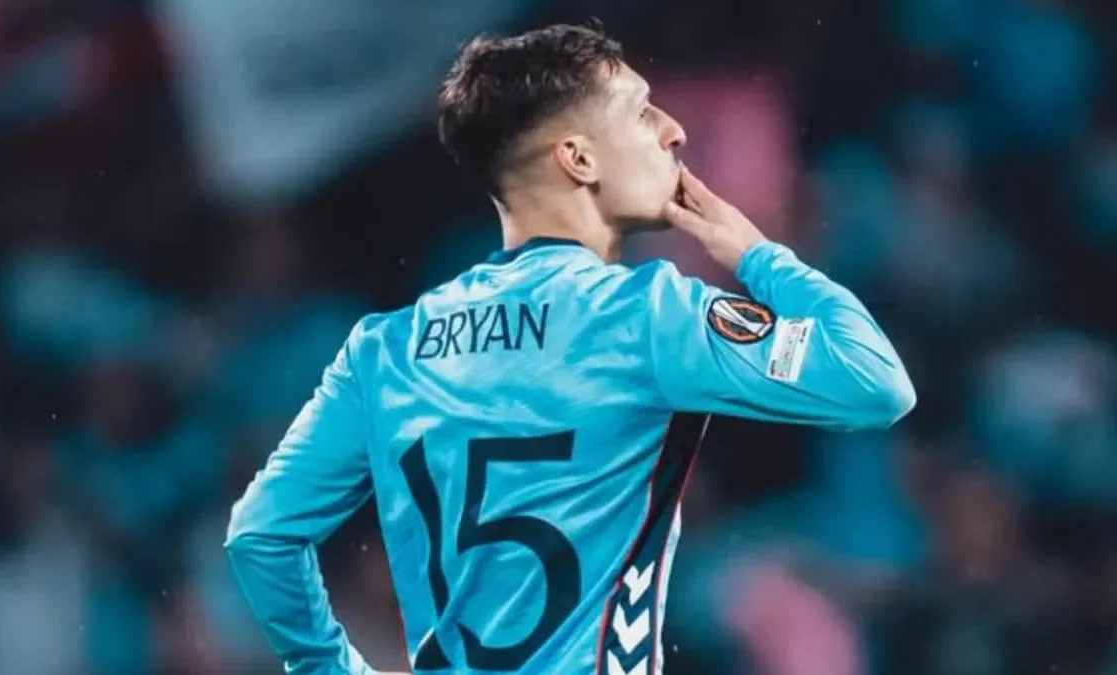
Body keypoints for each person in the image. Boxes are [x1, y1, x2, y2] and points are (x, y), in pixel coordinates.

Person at [224, 23, 916, 675]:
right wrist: (755, 252)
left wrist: (329, 666)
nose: (672, 130)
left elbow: (260, 536)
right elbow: (873, 379)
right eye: (641, 112)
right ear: (579, 159)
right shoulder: (646, 316)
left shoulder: (386, 348)